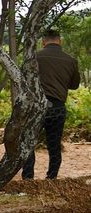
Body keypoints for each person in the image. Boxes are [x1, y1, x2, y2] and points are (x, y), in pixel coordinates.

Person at [22, 29, 80, 180]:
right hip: (57, 107)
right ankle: (51, 178)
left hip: (36, 107)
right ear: (60, 41)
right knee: (54, 145)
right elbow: (74, 85)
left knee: (29, 143)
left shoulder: (34, 57)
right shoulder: (71, 60)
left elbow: (24, 80)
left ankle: (28, 179)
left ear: (43, 42)